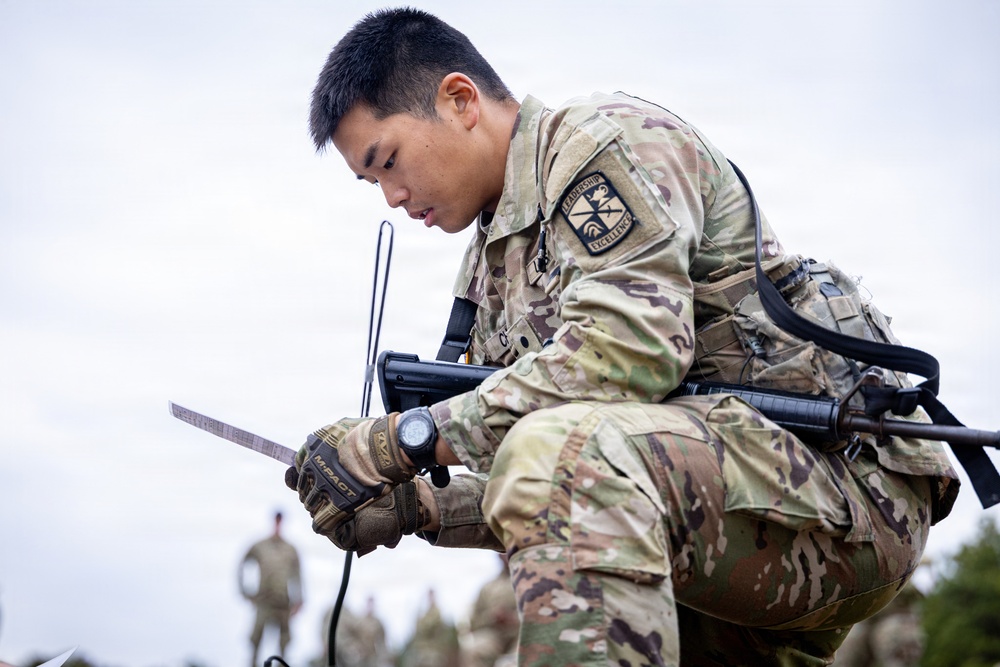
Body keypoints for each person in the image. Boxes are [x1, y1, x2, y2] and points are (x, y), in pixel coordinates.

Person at [285, 7, 962, 665]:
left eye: (389, 161)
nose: (392, 197)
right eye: (371, 181)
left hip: (841, 488)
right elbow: (533, 482)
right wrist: (423, 505)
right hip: (725, 526)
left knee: (563, 452)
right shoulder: (486, 273)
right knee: (553, 455)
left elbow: (628, 353)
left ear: (460, 100)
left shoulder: (597, 145)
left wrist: (402, 439)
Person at [239, 511, 303, 667]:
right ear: (273, 521)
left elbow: (297, 576)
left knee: (284, 642)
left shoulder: (290, 549)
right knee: (256, 640)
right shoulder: (260, 546)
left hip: (283, 603)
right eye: (276, 520)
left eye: (280, 521)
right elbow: (243, 564)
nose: (278, 524)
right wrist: (246, 592)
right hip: (264, 601)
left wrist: (298, 600)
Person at [460, 555, 518, 667]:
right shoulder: (489, 587)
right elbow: (474, 620)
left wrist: (513, 618)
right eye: (503, 551)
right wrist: (491, 617)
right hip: (494, 636)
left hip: (521, 634)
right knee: (474, 650)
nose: (506, 555)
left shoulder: (531, 581)